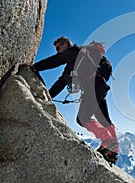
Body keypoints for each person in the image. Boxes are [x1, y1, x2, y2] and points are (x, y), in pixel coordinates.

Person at [33, 36, 119, 164]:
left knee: (82, 118)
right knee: (104, 119)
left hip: (94, 86)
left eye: (58, 47)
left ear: (66, 44)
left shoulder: (74, 52)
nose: (57, 50)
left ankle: (108, 142)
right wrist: (48, 97)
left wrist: (35, 67)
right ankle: (113, 151)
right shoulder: (74, 64)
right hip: (100, 86)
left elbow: (55, 61)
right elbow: (60, 83)